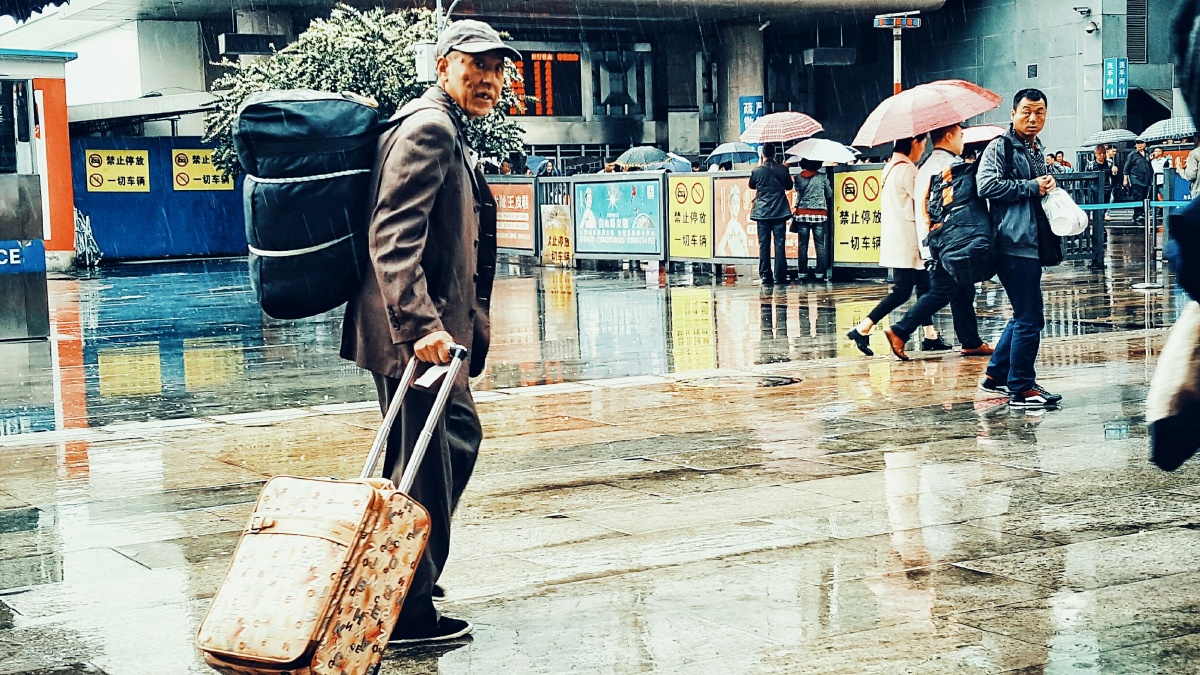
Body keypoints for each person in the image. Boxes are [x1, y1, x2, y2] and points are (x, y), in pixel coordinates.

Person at [340, 19, 515, 643]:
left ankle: (408, 568)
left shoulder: (441, 124)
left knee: (456, 439)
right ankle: (407, 610)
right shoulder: (430, 128)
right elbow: (392, 235)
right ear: (443, 65)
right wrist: (419, 327)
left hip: (432, 333)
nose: (488, 78)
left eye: (496, 68)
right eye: (475, 64)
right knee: (422, 470)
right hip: (416, 336)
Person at [974, 88, 1063, 408]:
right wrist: (1031, 186)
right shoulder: (1000, 147)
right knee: (1030, 318)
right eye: (1026, 111)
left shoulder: (1036, 148)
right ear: (1013, 115)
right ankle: (1022, 387)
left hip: (1031, 242)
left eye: (1039, 112)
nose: (1033, 118)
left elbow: (1035, 189)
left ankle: (996, 375)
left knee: (1023, 314)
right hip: (1011, 243)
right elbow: (986, 185)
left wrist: (1047, 184)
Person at [881, 124, 992, 360]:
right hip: (946, 242)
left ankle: (970, 341)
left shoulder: (927, 166)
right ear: (949, 136)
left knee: (962, 289)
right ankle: (900, 330)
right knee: (943, 290)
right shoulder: (948, 167)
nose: (962, 140)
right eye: (960, 135)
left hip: (935, 242)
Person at [847, 135, 949, 355]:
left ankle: (930, 335)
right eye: (923, 144)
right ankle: (862, 328)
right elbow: (923, 199)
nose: (923, 149)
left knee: (924, 285)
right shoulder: (907, 170)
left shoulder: (890, 167)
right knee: (902, 291)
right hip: (907, 239)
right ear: (914, 143)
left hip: (899, 237)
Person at [748, 141, 794, 286]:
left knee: (764, 244)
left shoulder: (757, 171)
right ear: (775, 154)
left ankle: (765, 275)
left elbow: (752, 185)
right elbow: (789, 186)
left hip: (762, 213)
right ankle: (780, 275)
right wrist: (785, 169)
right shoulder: (782, 169)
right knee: (779, 244)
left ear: (763, 154)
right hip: (779, 211)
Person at [791, 159, 832, 282]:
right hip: (819, 214)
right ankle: (820, 273)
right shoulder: (823, 177)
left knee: (803, 245)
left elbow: (797, 190)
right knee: (820, 245)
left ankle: (802, 273)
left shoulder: (798, 178)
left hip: (802, 213)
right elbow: (829, 194)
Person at [1124, 138, 1153, 223]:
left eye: (1141, 143)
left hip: (1146, 178)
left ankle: (1142, 212)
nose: (1139, 145)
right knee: (1138, 196)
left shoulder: (1148, 153)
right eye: (1138, 143)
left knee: (1144, 196)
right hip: (1136, 178)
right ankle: (1137, 214)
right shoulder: (1132, 154)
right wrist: (1125, 179)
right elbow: (1126, 167)